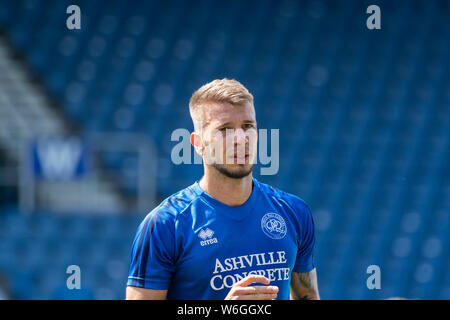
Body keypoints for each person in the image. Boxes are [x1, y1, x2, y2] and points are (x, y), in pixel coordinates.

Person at [126, 78, 319, 300]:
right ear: (198, 143)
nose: (240, 139)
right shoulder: (164, 225)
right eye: (225, 129)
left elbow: (308, 296)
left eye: (248, 126)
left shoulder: (294, 211)